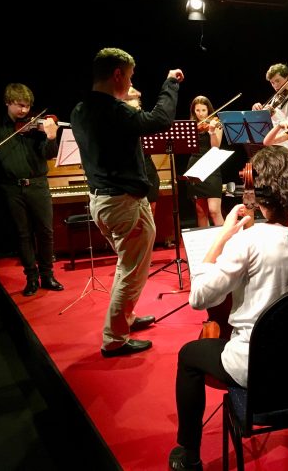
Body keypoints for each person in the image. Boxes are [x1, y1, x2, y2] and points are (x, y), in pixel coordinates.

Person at [168, 145, 288, 470]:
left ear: (262, 193)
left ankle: (188, 453)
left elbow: (199, 297)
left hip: (261, 369)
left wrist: (223, 236)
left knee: (189, 356)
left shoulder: (248, 241)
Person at [70, 47, 184, 357]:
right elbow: (159, 118)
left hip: (102, 201)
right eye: (130, 76)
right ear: (117, 74)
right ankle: (115, 339)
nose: (130, 83)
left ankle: (126, 318)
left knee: (127, 265)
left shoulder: (79, 110)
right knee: (132, 270)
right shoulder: (115, 110)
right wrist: (170, 83)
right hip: (122, 202)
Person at [0, 83, 64, 296]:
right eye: (20, 106)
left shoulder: (37, 127)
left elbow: (48, 154)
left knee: (46, 232)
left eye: (27, 106)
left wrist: (51, 138)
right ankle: (32, 278)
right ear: (8, 103)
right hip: (11, 188)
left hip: (37, 185)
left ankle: (47, 275)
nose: (25, 111)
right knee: (23, 234)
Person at [186, 96, 224, 227]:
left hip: (211, 165)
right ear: (193, 111)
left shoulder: (215, 123)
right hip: (195, 165)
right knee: (201, 211)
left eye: (203, 110)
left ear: (209, 110)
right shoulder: (191, 126)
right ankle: (206, 245)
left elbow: (215, 146)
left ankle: (226, 243)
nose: (201, 113)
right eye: (197, 110)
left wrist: (212, 132)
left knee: (214, 210)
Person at [125, 87, 160, 216]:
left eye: (137, 109)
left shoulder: (143, 121)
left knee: (151, 212)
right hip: (130, 174)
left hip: (149, 171)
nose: (136, 113)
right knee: (134, 216)